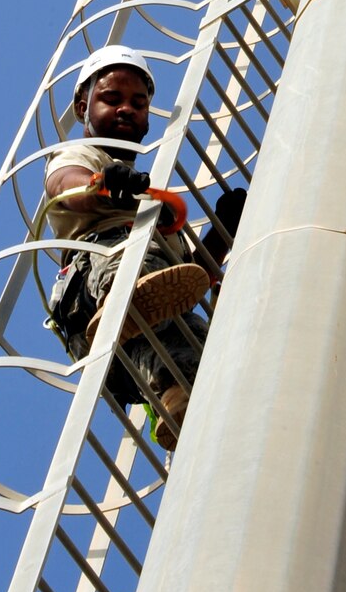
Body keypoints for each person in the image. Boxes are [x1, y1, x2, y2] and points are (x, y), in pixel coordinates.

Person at [43, 44, 243, 449]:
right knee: (139, 256)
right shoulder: (82, 156)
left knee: (199, 337)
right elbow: (67, 187)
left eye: (138, 103)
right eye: (111, 99)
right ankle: (127, 301)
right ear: (83, 106)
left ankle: (178, 400)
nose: (126, 109)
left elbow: (192, 278)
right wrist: (105, 186)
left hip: (130, 366)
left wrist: (223, 231)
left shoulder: (150, 208)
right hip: (91, 298)